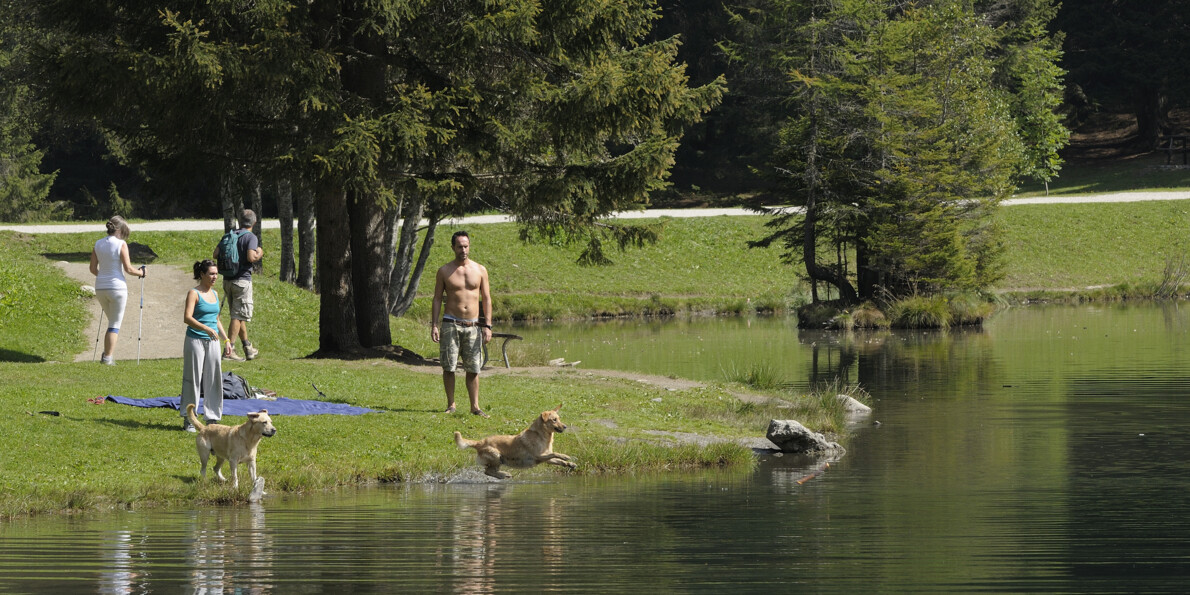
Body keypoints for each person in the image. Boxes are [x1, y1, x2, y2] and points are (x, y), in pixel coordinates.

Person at [431, 230, 493, 417]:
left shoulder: (480, 270)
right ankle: (451, 404)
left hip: (473, 325)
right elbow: (436, 298)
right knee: (449, 366)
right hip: (451, 323)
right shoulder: (444, 271)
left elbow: (487, 298)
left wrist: (487, 325)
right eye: (460, 246)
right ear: (453, 247)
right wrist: (434, 324)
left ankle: (475, 407)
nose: (463, 250)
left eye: (466, 246)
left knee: (473, 368)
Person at [181, 260, 233, 432]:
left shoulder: (216, 294)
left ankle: (212, 417)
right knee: (193, 379)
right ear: (202, 274)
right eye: (211, 273)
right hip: (195, 340)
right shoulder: (194, 293)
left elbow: (216, 319)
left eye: (216, 274)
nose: (214, 277)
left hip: (213, 341)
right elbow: (187, 318)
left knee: (214, 378)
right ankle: (190, 418)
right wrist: (205, 328)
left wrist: (226, 340)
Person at [89, 215, 146, 365]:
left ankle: (107, 355)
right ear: (119, 230)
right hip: (117, 288)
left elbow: (92, 269)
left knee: (112, 322)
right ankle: (107, 358)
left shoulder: (98, 244)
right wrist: (141, 272)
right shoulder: (121, 244)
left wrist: (103, 277)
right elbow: (128, 269)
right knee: (114, 324)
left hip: (100, 287)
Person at [214, 209, 264, 360]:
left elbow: (215, 254)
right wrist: (259, 252)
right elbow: (251, 256)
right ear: (254, 222)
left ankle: (248, 348)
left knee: (238, 315)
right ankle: (230, 350)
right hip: (242, 281)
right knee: (238, 316)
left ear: (239, 221)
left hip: (228, 280)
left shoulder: (229, 235)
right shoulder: (251, 237)